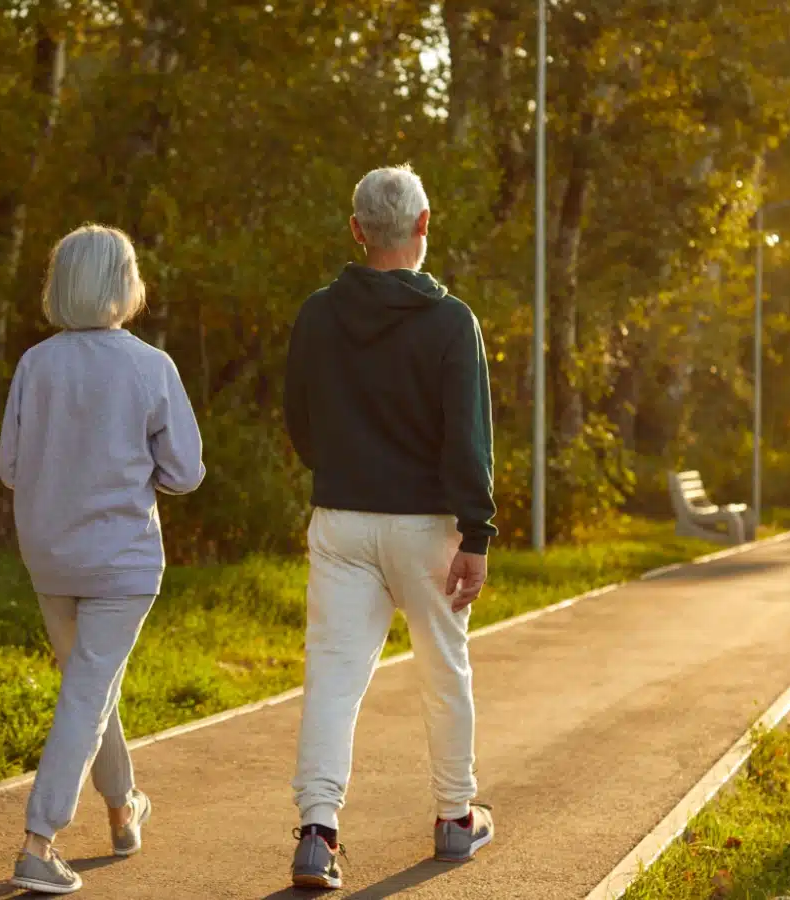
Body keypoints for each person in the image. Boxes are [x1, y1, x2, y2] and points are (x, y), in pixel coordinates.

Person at [282, 165, 499, 890]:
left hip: (341, 521)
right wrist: (477, 534)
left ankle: (317, 835)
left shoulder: (317, 314)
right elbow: (468, 440)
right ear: (424, 224)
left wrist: (342, 470)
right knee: (444, 672)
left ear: (356, 230)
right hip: (426, 527)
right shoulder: (450, 322)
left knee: (333, 678)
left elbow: (299, 421)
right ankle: (453, 818)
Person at [0, 224, 205, 895]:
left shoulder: (35, 364)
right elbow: (186, 472)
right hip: (121, 560)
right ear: (123, 284)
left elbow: (8, 465)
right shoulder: (150, 367)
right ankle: (38, 842)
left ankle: (122, 809)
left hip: (50, 557)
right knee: (88, 690)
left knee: (90, 686)